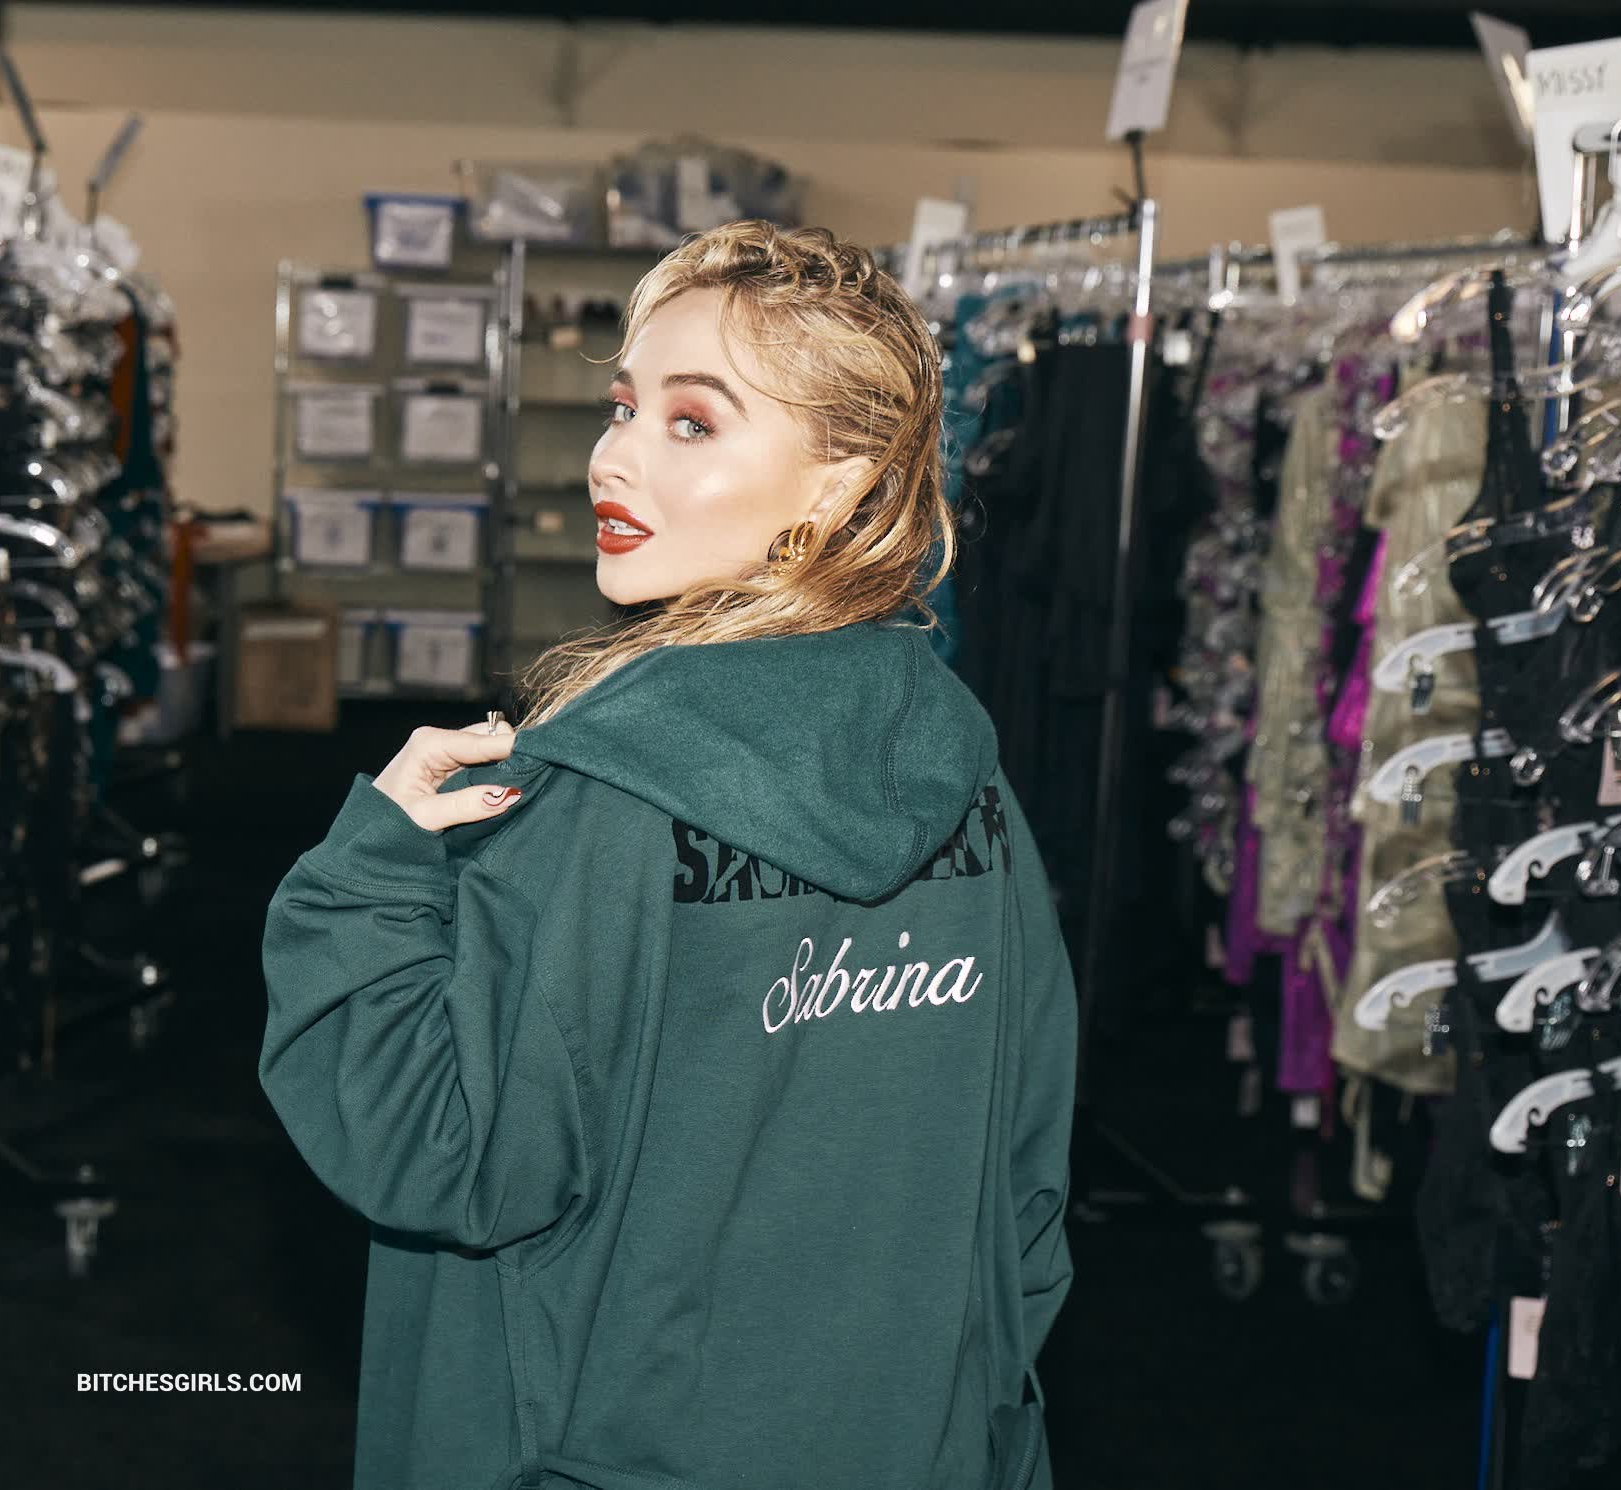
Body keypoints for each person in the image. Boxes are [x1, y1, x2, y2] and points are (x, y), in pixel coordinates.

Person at [258, 220, 1077, 1490]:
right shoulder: (968, 782)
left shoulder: (598, 794)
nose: (614, 456)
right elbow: (1025, 1190)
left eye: (692, 422)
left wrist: (370, 874)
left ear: (839, 483)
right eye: (624, 406)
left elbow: (440, 1148)